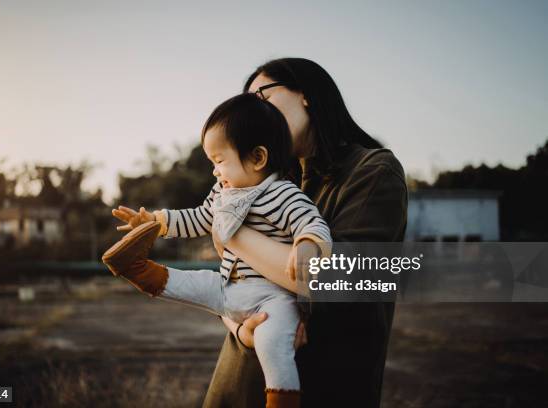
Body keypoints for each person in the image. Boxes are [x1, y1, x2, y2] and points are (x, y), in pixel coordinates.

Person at [199, 58, 409, 407]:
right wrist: (239, 328)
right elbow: (233, 282)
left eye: (262, 97)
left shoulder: (373, 170)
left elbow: (330, 279)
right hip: (237, 380)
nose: (255, 114)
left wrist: (229, 229)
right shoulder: (266, 181)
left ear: (307, 94)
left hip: (321, 388)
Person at [104, 93, 333, 408]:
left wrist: (307, 245)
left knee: (272, 346)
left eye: (219, 161)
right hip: (228, 288)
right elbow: (198, 218)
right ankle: (137, 268)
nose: (214, 171)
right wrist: (155, 221)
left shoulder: (283, 194)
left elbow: (313, 224)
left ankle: (282, 401)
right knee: (194, 283)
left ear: (257, 158)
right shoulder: (221, 193)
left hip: (272, 300)